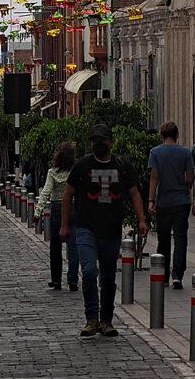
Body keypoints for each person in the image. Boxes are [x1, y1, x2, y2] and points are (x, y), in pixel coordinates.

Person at [61, 126, 147, 339]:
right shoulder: (82, 166)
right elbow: (67, 195)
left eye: (102, 140)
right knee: (89, 271)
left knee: (108, 277)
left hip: (111, 229)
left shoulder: (122, 166)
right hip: (85, 227)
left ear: (110, 142)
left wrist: (142, 219)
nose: (98, 144)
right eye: (94, 140)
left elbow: (134, 193)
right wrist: (65, 225)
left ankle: (106, 320)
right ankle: (91, 319)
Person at [146, 120, 194, 289]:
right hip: (182, 201)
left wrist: (151, 200)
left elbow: (154, 177)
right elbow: (190, 178)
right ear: (177, 135)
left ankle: (164, 274)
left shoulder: (155, 152)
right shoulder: (185, 152)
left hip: (163, 202)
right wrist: (185, 185)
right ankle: (178, 275)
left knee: (163, 239)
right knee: (181, 238)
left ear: (162, 135)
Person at [35, 140, 79, 294]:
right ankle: (73, 280)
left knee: (55, 246)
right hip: (74, 208)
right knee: (73, 247)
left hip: (57, 209)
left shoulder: (52, 172)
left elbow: (46, 192)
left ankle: (56, 280)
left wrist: (37, 211)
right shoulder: (76, 171)